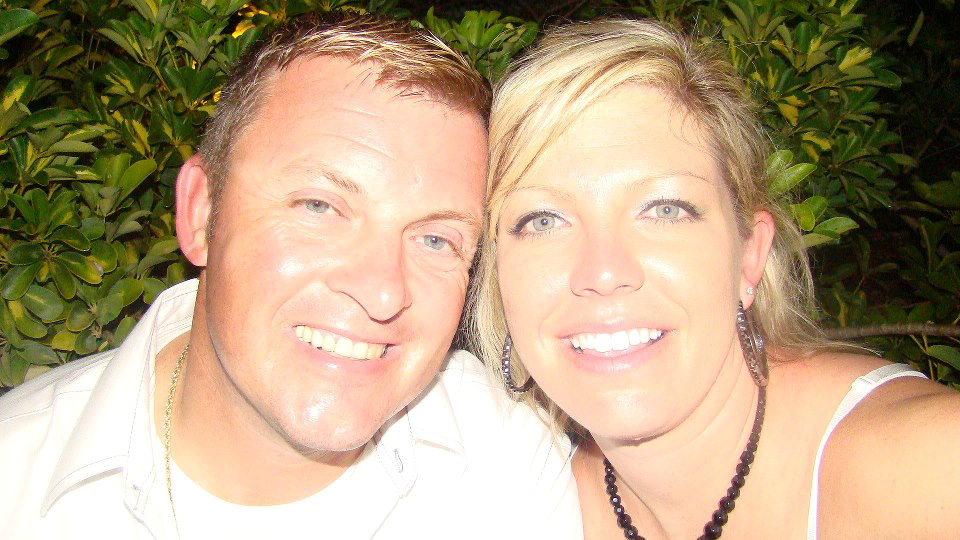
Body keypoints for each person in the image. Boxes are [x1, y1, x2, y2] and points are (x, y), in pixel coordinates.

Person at [0, 13, 581, 538]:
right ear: (202, 213)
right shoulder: (17, 483)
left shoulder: (513, 476)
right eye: (319, 207)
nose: (383, 292)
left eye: (435, 239)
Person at [471, 18, 960, 539]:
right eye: (543, 220)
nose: (604, 272)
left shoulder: (929, 469)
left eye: (664, 209)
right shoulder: (528, 504)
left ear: (750, 254)